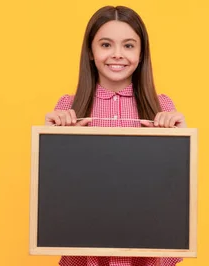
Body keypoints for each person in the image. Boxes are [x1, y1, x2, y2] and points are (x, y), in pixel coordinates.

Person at [44, 5, 187, 266]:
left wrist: (180, 142)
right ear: (90, 51)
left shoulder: (162, 107)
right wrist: (53, 141)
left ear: (142, 53)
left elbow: (173, 191)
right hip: (86, 248)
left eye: (129, 46)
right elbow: (57, 193)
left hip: (146, 248)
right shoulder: (69, 107)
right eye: (106, 44)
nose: (117, 55)